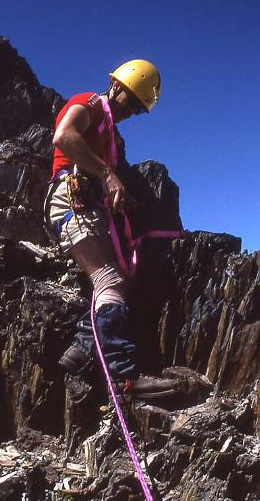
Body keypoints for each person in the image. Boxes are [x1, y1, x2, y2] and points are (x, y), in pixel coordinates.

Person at [45, 60, 180, 398]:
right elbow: (64, 137)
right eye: (131, 102)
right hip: (71, 197)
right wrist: (106, 175)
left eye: (138, 109)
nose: (131, 112)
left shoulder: (112, 136)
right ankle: (122, 378)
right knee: (109, 279)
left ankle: (81, 351)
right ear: (116, 86)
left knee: (124, 282)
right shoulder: (90, 102)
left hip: (90, 205)